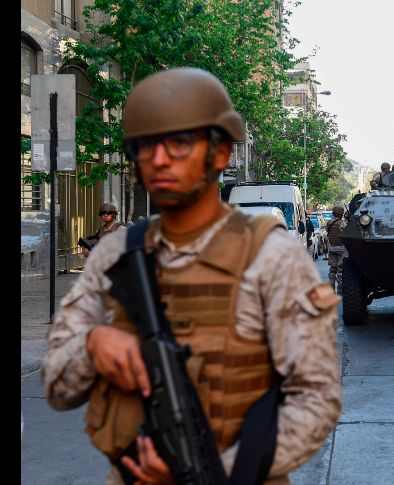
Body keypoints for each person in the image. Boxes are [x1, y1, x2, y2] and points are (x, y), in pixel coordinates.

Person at [41, 67, 342, 484]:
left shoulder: (271, 255)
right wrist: (94, 343)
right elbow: (57, 386)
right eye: (146, 146)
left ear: (220, 154)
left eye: (180, 143)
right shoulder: (114, 253)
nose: (160, 159)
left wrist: (210, 472)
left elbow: (317, 395)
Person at [325, 205, 348, 293]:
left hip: (332, 248)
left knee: (332, 269)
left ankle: (331, 290)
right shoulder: (343, 223)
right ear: (342, 214)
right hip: (342, 248)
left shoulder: (329, 222)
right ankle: (340, 291)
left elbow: (328, 231)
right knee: (341, 270)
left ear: (333, 213)